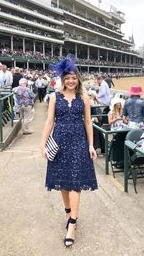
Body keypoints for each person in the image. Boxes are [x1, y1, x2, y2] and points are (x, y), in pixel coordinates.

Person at [40, 55, 98, 248]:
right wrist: (42, 144)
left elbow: (88, 122)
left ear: (78, 79)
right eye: (67, 78)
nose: (71, 81)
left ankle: (72, 224)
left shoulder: (84, 98)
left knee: (75, 183)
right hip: (59, 143)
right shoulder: (54, 97)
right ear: (63, 80)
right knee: (63, 183)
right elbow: (50, 121)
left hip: (79, 143)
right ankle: (68, 212)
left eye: (74, 78)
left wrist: (91, 145)